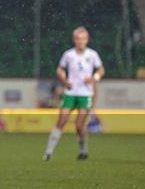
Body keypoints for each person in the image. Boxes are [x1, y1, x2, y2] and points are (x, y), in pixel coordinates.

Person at [43, 27, 104, 161]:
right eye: (78, 39)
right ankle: (48, 152)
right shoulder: (69, 55)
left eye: (83, 39)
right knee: (62, 121)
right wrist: (64, 80)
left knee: (79, 125)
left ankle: (83, 151)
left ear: (87, 40)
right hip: (70, 93)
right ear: (74, 40)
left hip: (85, 94)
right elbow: (60, 69)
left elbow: (100, 69)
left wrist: (94, 78)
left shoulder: (92, 54)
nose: (80, 41)